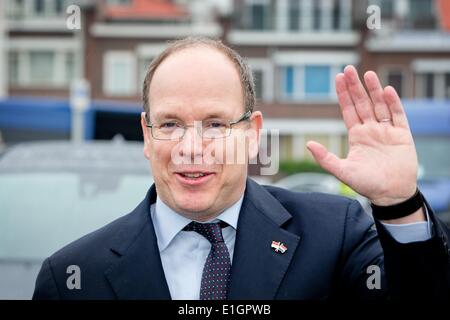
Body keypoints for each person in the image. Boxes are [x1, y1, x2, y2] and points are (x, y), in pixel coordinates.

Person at [33, 37, 450, 300]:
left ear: (252, 134)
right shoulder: (71, 277)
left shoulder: (335, 236)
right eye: (171, 125)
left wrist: (398, 204)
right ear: (146, 133)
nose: (191, 149)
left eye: (215, 125)